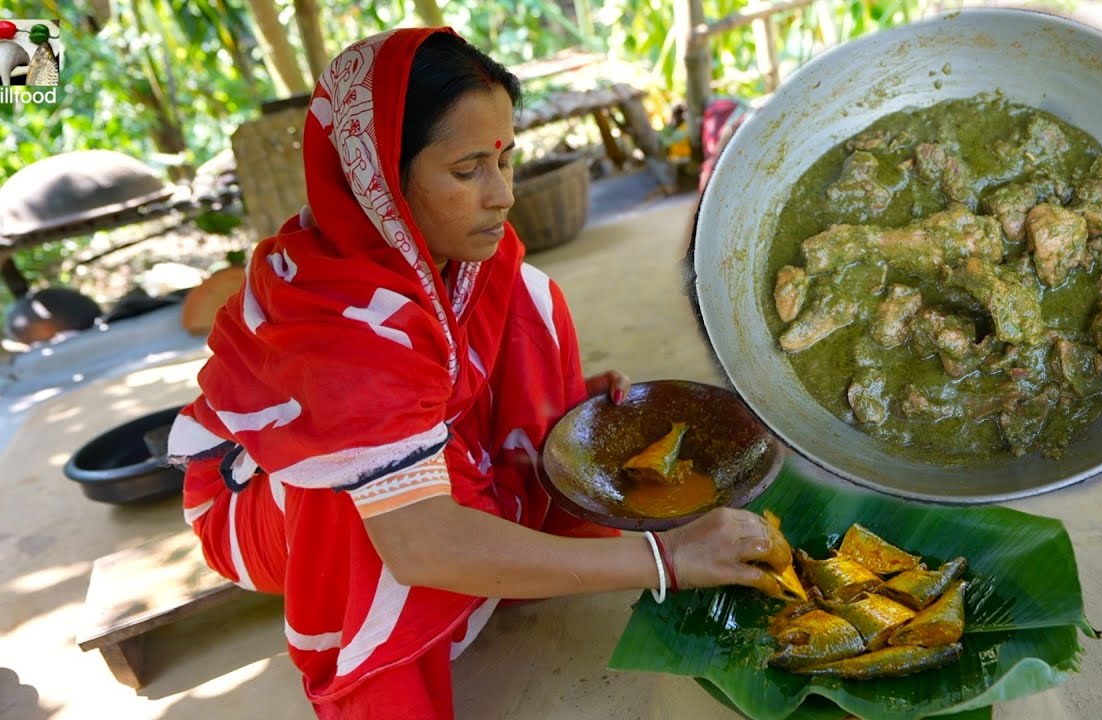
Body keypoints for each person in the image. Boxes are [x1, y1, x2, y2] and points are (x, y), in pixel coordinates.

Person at [167, 28, 788, 720]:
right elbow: (421, 547)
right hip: (262, 503)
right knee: (362, 505)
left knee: (527, 297)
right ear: (378, 179)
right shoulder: (337, 323)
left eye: (506, 161)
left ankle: (508, 532)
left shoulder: (457, 255)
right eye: (467, 172)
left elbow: (449, 363)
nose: (501, 196)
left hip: (397, 428)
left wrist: (558, 402)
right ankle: (389, 684)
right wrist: (664, 560)